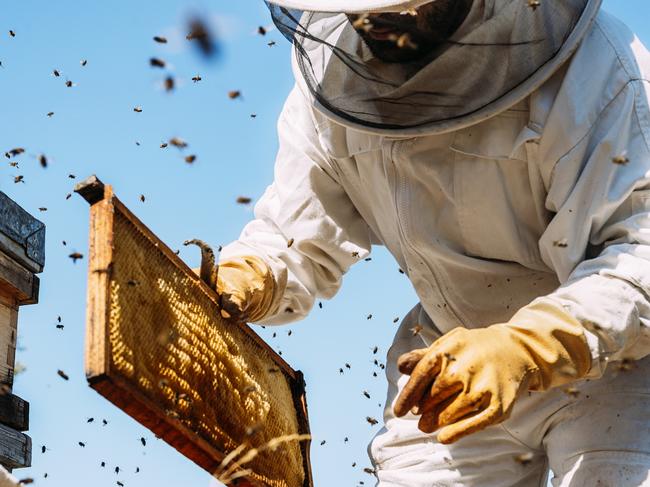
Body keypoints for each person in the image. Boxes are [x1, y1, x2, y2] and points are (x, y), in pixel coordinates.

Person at [214, 0, 650, 485]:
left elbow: (639, 253)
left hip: (613, 362)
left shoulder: (599, 70)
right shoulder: (334, 75)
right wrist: (254, 274)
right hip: (446, 361)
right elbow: (300, 232)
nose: (379, 22)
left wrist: (529, 346)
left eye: (402, 7)